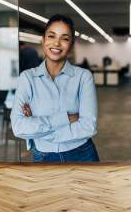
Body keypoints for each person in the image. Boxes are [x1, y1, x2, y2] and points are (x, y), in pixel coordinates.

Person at [10, 14, 99, 163]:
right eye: (51, 36)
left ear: (71, 44)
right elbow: (18, 127)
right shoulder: (27, 78)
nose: (56, 43)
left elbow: (88, 126)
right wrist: (65, 119)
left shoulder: (83, 77)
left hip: (82, 154)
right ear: (43, 40)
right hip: (42, 157)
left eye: (64, 38)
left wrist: (39, 130)